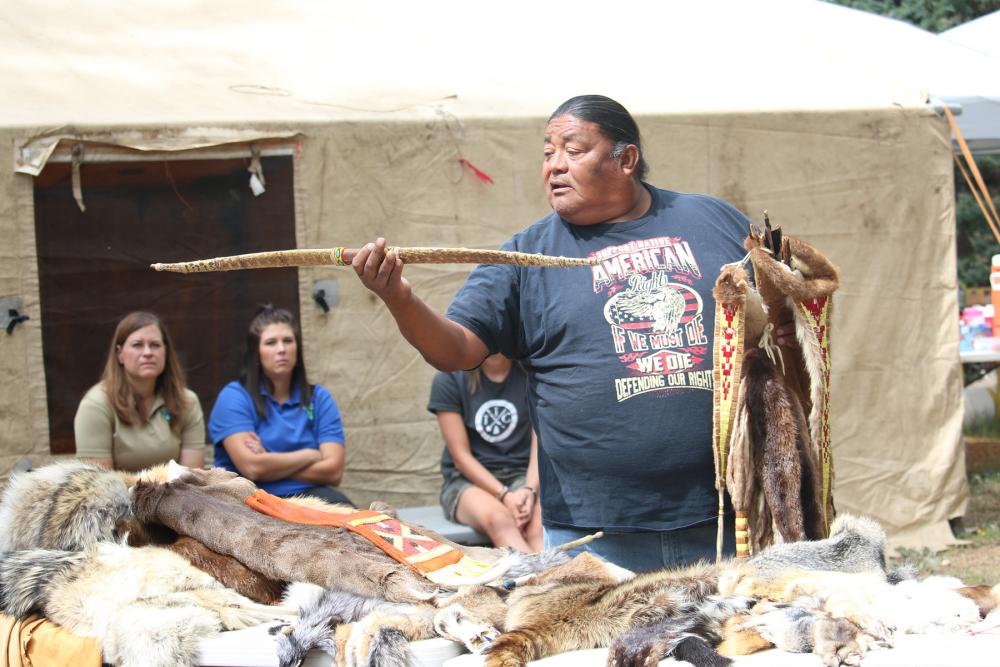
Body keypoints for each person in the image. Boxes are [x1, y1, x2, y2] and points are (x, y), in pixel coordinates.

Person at [351, 94, 765, 571]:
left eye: (573, 150)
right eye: (548, 153)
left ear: (625, 159)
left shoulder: (712, 220)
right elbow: (454, 349)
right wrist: (398, 297)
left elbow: (786, 307)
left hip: (728, 519)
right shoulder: (526, 256)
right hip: (596, 537)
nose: (554, 167)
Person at [208, 305, 352, 505]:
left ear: (297, 348)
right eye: (271, 342)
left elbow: (333, 471)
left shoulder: (319, 398)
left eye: (288, 341)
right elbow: (253, 468)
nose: (281, 349)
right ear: (256, 352)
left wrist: (270, 459)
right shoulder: (234, 396)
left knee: (357, 526)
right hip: (249, 498)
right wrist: (311, 455)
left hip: (311, 495)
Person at [428, 353, 542, 552]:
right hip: (466, 482)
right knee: (500, 520)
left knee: (538, 526)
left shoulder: (533, 374)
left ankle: (553, 581)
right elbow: (461, 458)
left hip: (524, 477)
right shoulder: (449, 378)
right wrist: (505, 495)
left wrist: (529, 489)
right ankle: (534, 581)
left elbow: (540, 446)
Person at [74, 311, 205, 471]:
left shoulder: (187, 401)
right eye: (137, 345)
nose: (148, 353)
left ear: (166, 352)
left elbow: (192, 476)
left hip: (177, 494)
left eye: (155, 345)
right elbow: (100, 485)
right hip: (117, 495)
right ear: (120, 354)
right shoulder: (96, 405)